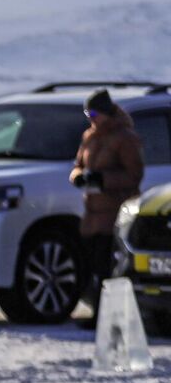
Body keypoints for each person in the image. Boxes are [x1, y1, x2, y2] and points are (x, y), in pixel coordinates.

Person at [70, 88, 144, 326]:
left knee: (107, 268)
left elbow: (134, 175)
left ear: (105, 112)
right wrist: (80, 177)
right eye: (86, 113)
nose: (90, 117)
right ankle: (96, 313)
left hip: (114, 213)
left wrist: (103, 180)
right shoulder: (89, 136)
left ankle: (106, 317)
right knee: (90, 264)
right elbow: (77, 165)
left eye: (93, 112)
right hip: (92, 214)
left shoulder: (125, 138)